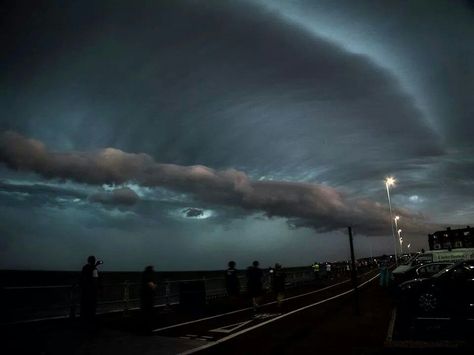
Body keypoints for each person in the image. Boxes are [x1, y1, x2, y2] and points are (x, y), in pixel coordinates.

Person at [80, 255, 102, 326]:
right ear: (94, 261)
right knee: (92, 308)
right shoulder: (94, 269)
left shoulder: (84, 267)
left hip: (84, 291)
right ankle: (91, 323)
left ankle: (84, 322)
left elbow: (82, 277)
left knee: (85, 307)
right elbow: (95, 280)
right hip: (92, 292)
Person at [140, 265, 157, 333]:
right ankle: (148, 329)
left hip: (144, 296)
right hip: (149, 297)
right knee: (149, 312)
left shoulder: (144, 276)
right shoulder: (149, 277)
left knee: (144, 312)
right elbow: (152, 285)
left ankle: (144, 328)